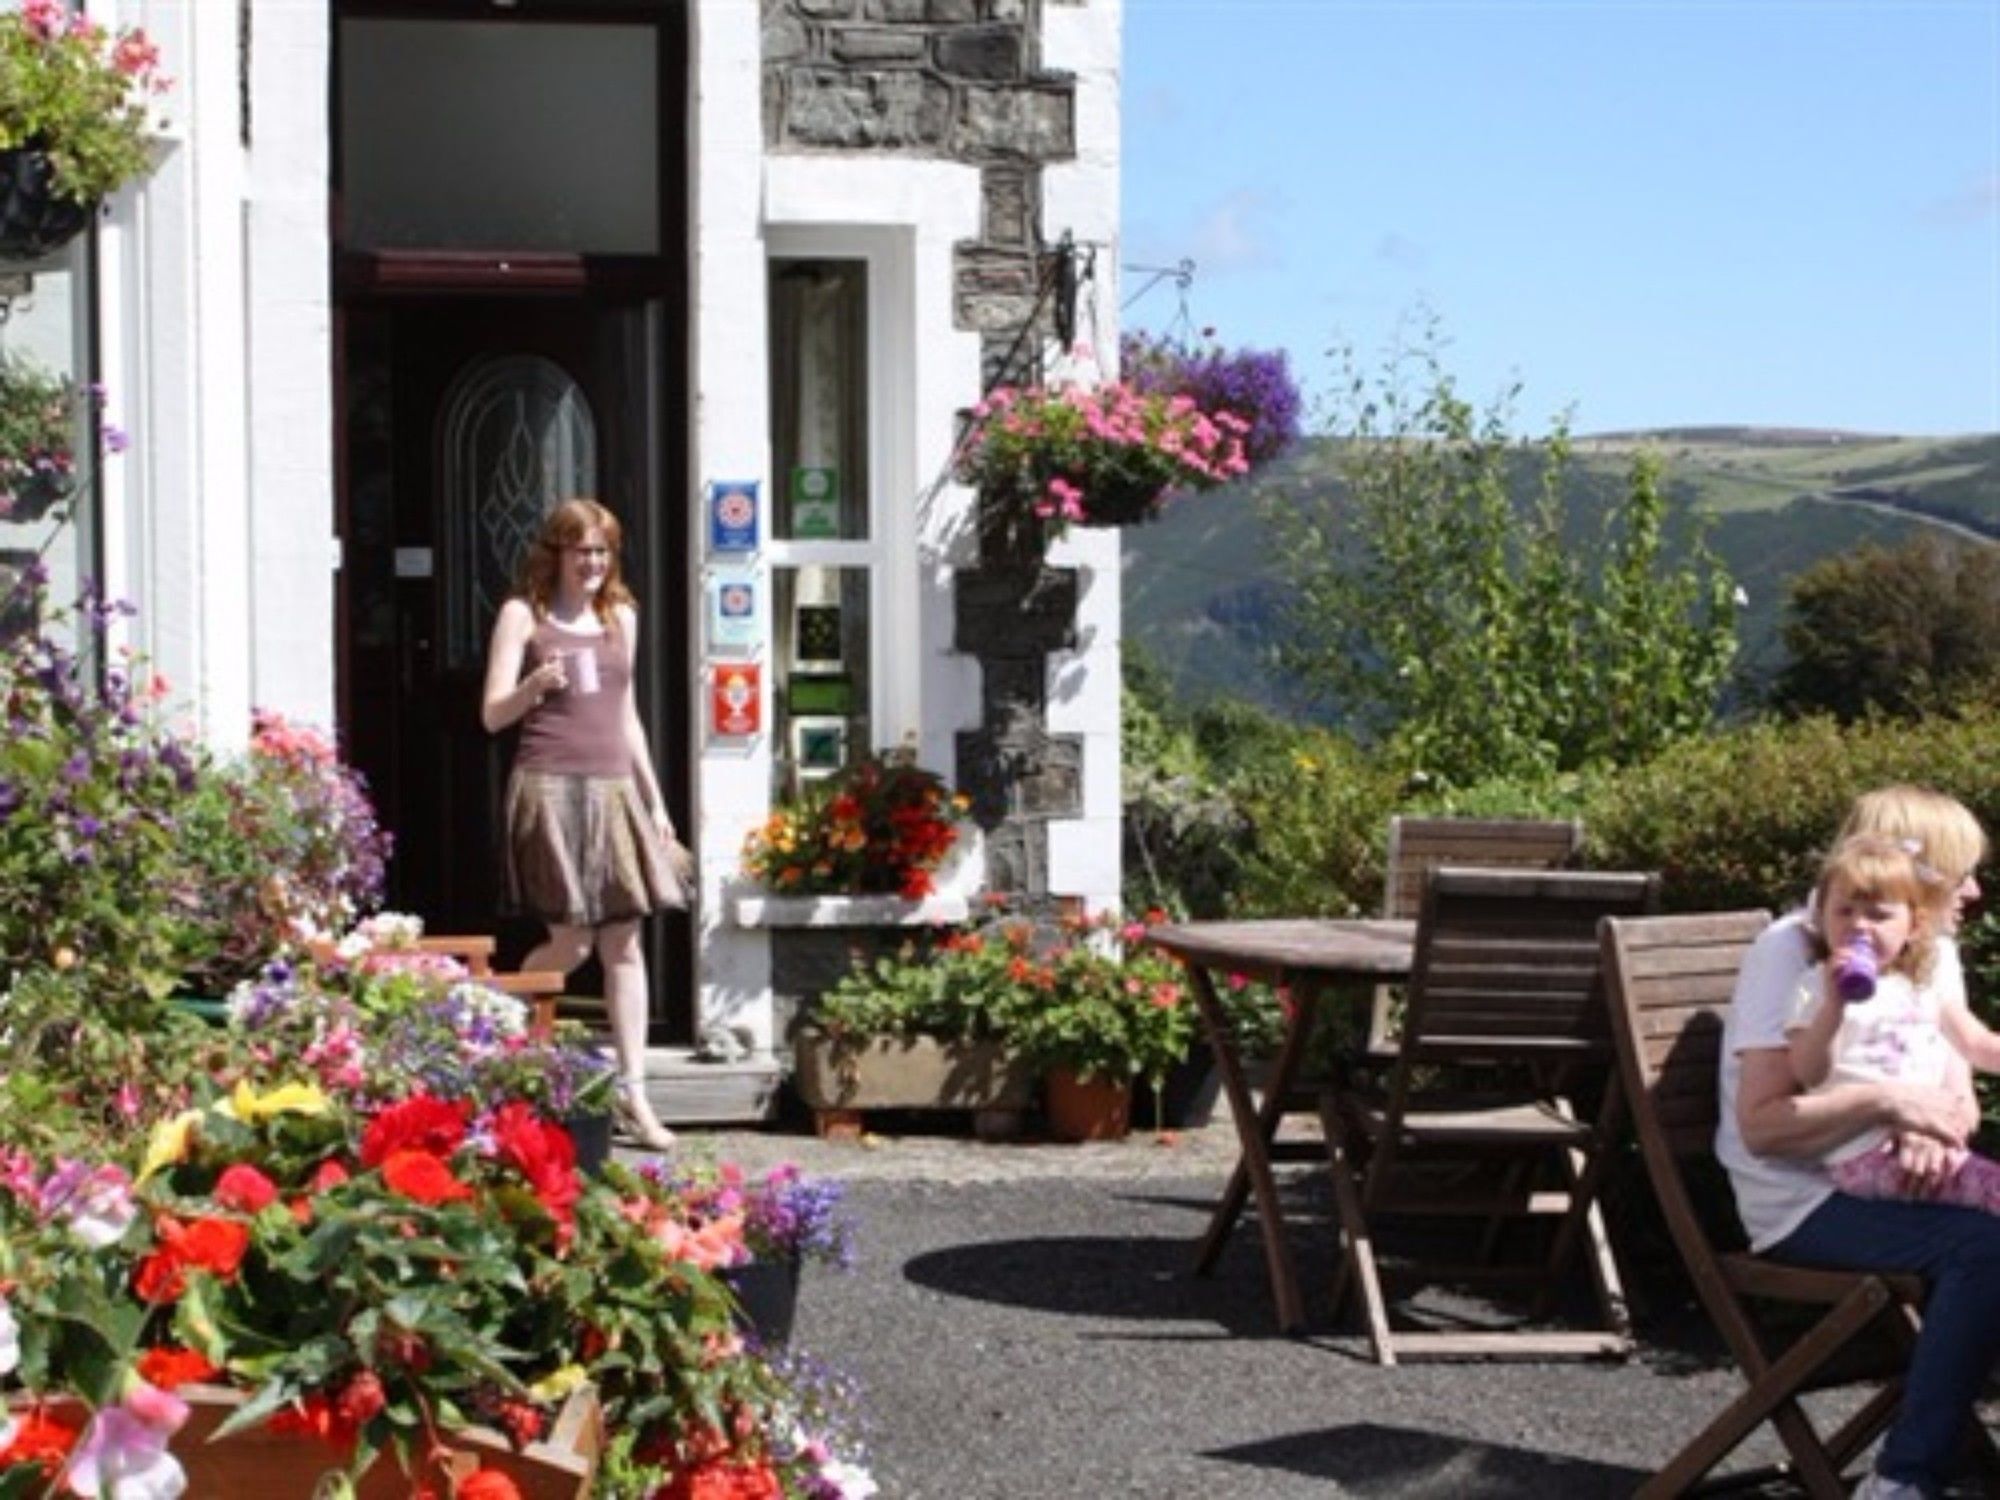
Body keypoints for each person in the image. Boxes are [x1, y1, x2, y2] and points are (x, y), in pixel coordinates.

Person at [1720, 785, 2000, 1499]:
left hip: (1901, 1179)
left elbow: (1956, 1080)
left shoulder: (1927, 946)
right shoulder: (1801, 951)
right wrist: (1890, 1103)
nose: (1973, 889)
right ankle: (1904, 1478)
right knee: (1985, 1248)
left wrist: (1938, 1129)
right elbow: (1764, 1126)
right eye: (1961, 869)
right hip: (1805, 1196)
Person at [482, 498, 687, 1152]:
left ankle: (634, 1094)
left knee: (624, 943)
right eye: (582, 551)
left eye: (602, 551)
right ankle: (505, 1037)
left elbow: (627, 718)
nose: (594, 563)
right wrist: (534, 685)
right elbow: (491, 714)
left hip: (615, 789)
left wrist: (655, 805)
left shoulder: (620, 616)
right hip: (548, 786)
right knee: (569, 943)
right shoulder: (523, 615)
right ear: (557, 554)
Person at [1789, 833, 2000, 1212]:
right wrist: (1833, 1007)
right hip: (1862, 1157)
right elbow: (1809, 1073)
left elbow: (1977, 1044)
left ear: (1914, 927)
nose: (1859, 926)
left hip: (1925, 1147)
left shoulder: (1919, 988)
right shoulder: (1815, 987)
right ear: (1821, 918)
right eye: (1844, 912)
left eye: (1879, 915)